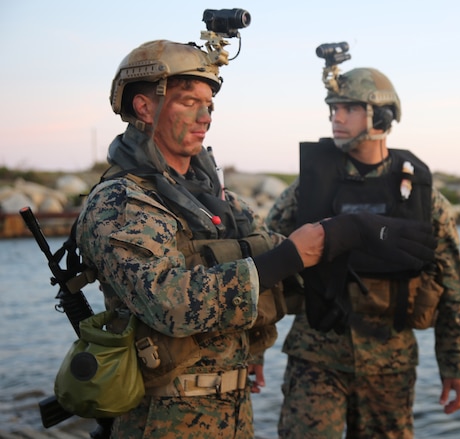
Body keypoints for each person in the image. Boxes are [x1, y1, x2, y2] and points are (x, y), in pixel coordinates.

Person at [76, 39, 435, 438]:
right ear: (144, 107)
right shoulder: (121, 202)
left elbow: (274, 248)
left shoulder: (217, 200)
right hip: (163, 418)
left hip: (234, 412)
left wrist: (350, 238)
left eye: (209, 104)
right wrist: (294, 254)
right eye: (187, 101)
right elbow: (169, 303)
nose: (204, 116)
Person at [265, 63, 460, 438]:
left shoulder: (423, 197)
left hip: (389, 362)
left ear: (382, 114)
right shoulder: (307, 190)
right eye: (333, 108)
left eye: (349, 108)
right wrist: (252, 350)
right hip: (315, 355)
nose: (336, 117)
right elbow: (266, 263)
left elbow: (452, 284)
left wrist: (456, 365)